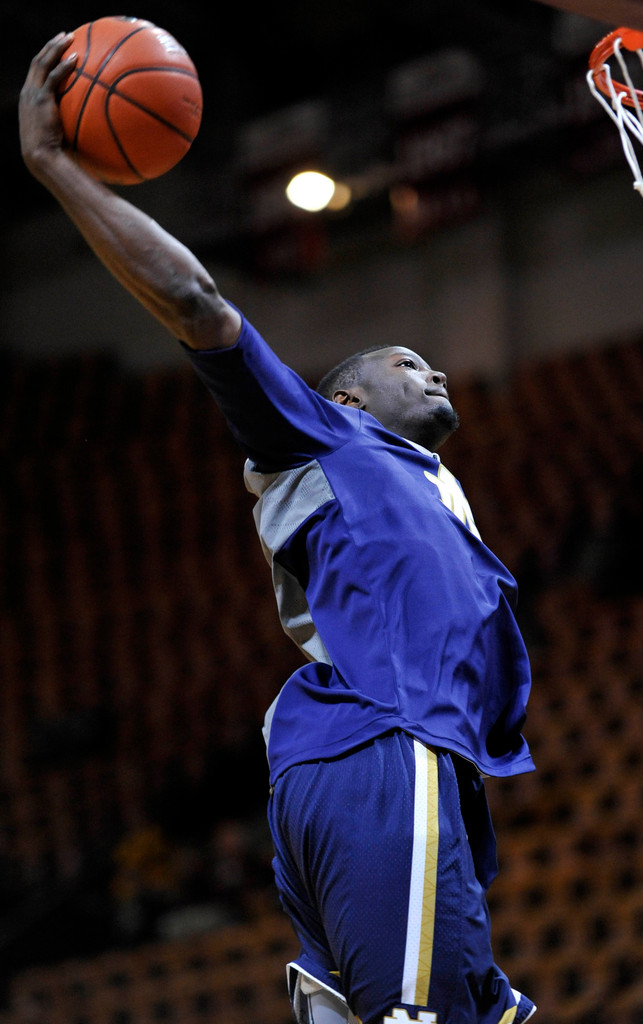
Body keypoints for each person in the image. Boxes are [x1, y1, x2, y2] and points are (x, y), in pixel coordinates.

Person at [19, 33, 537, 1024]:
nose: (430, 371)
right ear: (344, 395)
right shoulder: (320, 435)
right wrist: (52, 166)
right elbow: (194, 301)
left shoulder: (430, 490)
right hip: (383, 744)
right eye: (404, 359)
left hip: (388, 763)